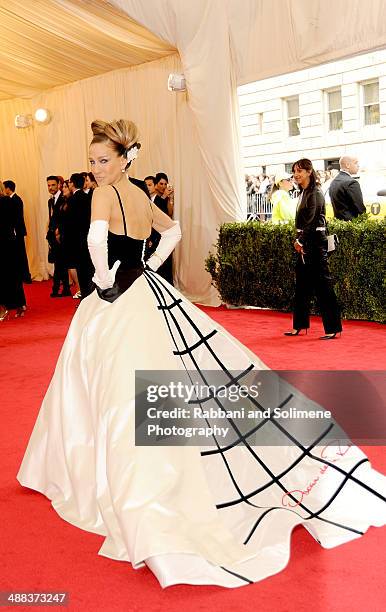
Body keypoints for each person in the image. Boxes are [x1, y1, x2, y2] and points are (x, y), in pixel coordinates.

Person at [17, 122, 386, 589]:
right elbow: (172, 232)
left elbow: (95, 241)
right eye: (91, 162)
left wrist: (105, 279)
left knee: (110, 388)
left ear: (124, 158)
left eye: (103, 160)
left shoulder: (104, 195)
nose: (95, 169)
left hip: (114, 295)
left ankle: (117, 481)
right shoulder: (137, 194)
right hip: (145, 290)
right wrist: (147, 265)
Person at [284, 159, 342, 340]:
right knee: (301, 287)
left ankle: (333, 328)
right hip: (307, 244)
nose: (296, 174)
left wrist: (300, 242)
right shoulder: (303, 192)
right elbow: (303, 223)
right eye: (294, 171)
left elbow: (312, 220)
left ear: (309, 171)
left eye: (300, 171)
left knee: (323, 287)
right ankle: (299, 325)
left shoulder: (315, 193)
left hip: (315, 245)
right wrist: (299, 241)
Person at [0, 181, 27, 319]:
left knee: (6, 276)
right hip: (9, 242)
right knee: (12, 275)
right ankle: (19, 304)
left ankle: (5, 307)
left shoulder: (7, 202)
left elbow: (14, 222)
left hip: (5, 243)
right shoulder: (9, 201)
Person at [46, 175, 71, 297]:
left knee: (61, 263)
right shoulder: (50, 201)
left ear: (59, 185)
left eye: (53, 185)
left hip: (61, 235)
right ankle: (65, 289)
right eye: (49, 185)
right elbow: (52, 218)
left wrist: (59, 231)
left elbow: (64, 218)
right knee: (59, 263)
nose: (50, 187)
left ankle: (58, 289)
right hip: (53, 236)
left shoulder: (64, 198)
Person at [3, 180, 32, 283]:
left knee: (21, 254)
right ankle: (22, 275)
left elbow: (17, 217)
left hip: (17, 231)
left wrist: (14, 230)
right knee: (18, 254)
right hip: (15, 231)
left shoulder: (16, 199)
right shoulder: (12, 199)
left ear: (7, 188)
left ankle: (26, 276)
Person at [328, 156, 366, 220]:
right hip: (352, 225)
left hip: (338, 224)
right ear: (348, 165)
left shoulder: (333, 181)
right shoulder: (352, 182)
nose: (358, 165)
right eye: (356, 163)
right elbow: (360, 209)